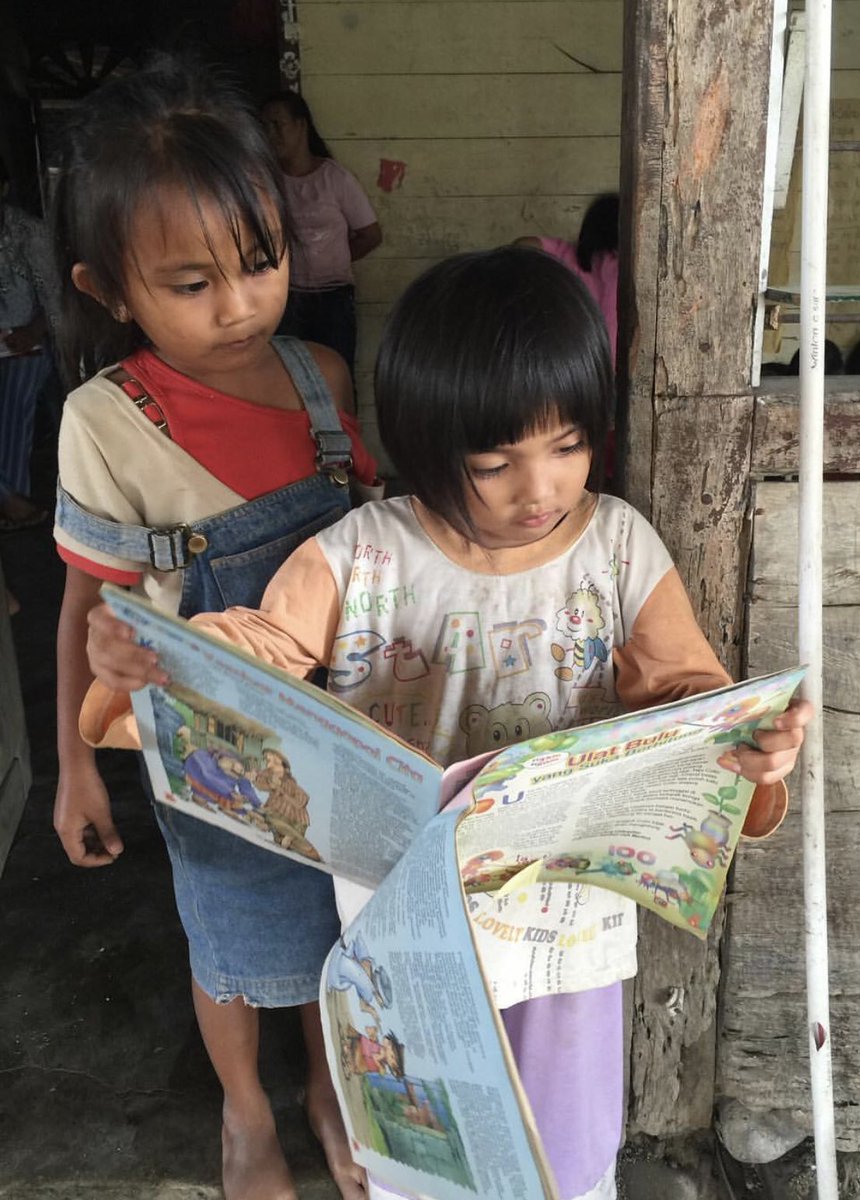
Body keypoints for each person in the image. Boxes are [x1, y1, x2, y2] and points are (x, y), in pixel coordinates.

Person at [84, 246, 812, 1200]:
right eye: (494, 463)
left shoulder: (618, 547)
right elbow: (257, 651)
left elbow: (685, 693)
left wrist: (744, 747)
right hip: (403, 935)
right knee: (423, 1157)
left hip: (563, 934)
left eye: (567, 446)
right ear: (427, 447)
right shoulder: (358, 554)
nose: (540, 490)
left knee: (564, 1162)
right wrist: (158, 661)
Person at [50, 56, 379, 1200]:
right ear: (108, 288)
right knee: (234, 934)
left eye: (261, 261)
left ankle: (330, 1091)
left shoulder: (323, 377)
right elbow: (84, 602)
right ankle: (245, 1110)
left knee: (340, 926)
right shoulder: (104, 422)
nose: (239, 304)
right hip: (207, 747)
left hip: (342, 730)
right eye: (191, 283)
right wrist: (73, 767)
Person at [261, 91, 382, 390]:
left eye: (278, 124)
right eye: (265, 126)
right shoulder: (267, 182)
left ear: (301, 125)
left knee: (336, 378)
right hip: (286, 297)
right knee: (289, 380)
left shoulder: (335, 178)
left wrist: (333, 259)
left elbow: (370, 235)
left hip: (333, 299)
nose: (271, 134)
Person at [0, 155, 58, 532]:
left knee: (13, 415)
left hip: (24, 344)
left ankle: (13, 499)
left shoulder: (28, 233)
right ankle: (11, 501)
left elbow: (54, 299)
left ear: (4, 188)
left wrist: (33, 333)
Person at [515, 192, 619, 368]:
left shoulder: (569, 257)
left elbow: (524, 245)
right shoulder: (625, 266)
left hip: (574, 367)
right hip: (615, 370)